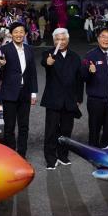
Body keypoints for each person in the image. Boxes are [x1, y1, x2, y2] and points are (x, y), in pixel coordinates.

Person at [40, 28, 83, 170]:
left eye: (63, 39)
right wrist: (48, 62)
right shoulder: (49, 54)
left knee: (66, 130)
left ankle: (63, 155)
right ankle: (50, 158)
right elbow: (45, 62)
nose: (60, 41)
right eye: (57, 39)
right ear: (54, 41)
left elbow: (79, 79)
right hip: (53, 99)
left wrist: (79, 97)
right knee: (51, 130)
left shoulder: (75, 56)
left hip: (70, 99)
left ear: (68, 40)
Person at [0, 22, 38, 159]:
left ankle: (22, 153)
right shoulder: (4, 49)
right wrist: (0, 65)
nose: (19, 34)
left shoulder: (29, 49)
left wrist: (33, 92)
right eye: (15, 32)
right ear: (11, 34)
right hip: (9, 93)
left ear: (25, 34)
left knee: (24, 126)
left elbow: (32, 72)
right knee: (9, 126)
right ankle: (11, 155)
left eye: (21, 32)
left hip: (25, 92)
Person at [81, 27, 108, 148]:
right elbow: (82, 77)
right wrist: (89, 71)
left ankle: (106, 152)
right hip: (96, 101)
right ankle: (93, 151)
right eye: (103, 36)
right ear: (98, 38)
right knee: (94, 128)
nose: (106, 39)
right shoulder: (90, 56)